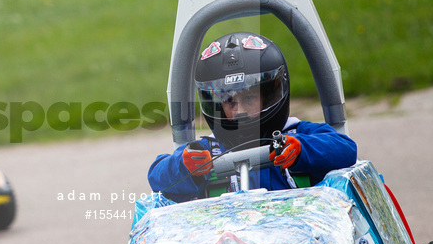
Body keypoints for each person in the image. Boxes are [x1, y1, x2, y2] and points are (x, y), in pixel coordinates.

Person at [148, 32, 356, 202]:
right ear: (216, 104)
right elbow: (156, 176)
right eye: (230, 101)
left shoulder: (296, 135)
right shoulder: (208, 151)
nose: (239, 110)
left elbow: (346, 149)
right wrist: (185, 167)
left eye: (249, 98)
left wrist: (301, 151)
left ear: (270, 95)